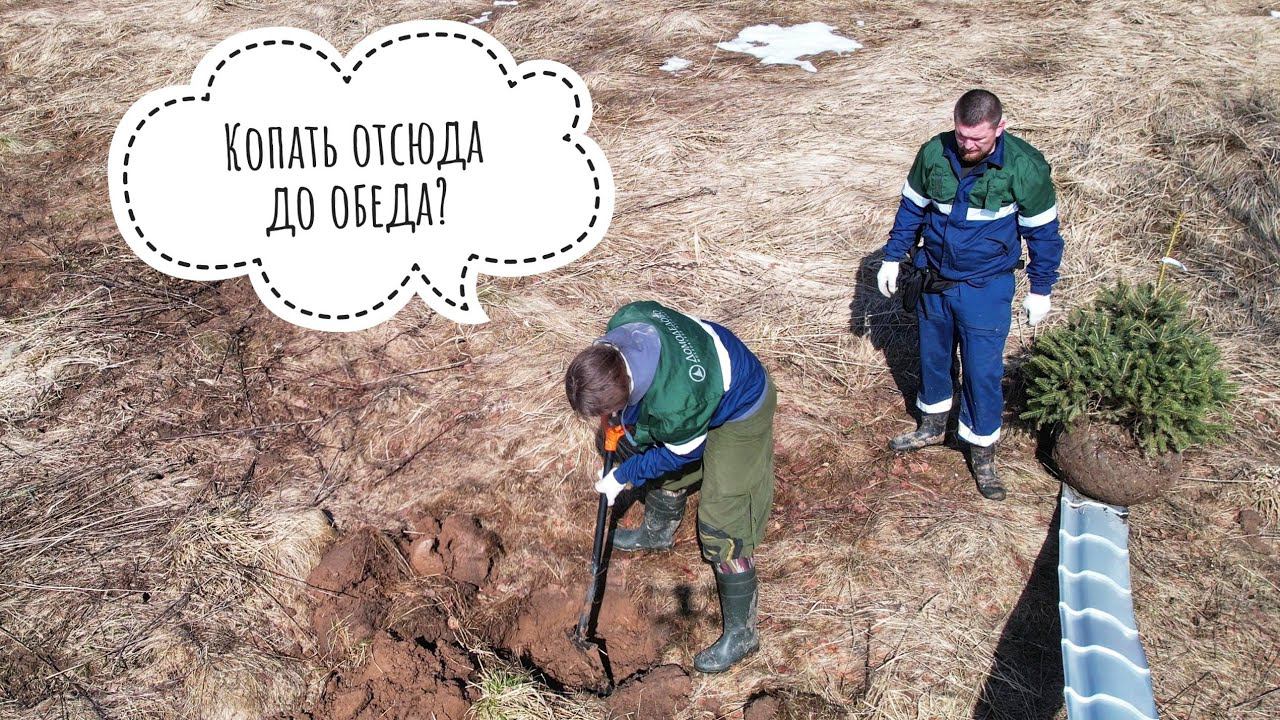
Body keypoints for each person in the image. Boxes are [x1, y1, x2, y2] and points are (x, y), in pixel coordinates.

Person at [564, 300, 777, 673]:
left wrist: (624, 475)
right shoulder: (625, 322)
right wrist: (617, 419)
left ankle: (743, 634)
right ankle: (657, 532)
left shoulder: (678, 404)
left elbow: (680, 453)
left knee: (722, 520)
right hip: (697, 393)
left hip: (740, 407)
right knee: (644, 444)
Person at [876, 89, 1064, 500]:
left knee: (982, 372)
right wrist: (892, 257)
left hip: (985, 288)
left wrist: (1041, 288)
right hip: (934, 281)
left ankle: (981, 451)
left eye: (977, 138)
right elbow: (912, 210)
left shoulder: (1024, 167)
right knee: (933, 357)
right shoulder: (934, 153)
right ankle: (932, 425)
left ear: (1000, 127)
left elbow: (1044, 234)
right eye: (961, 135)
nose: (966, 144)